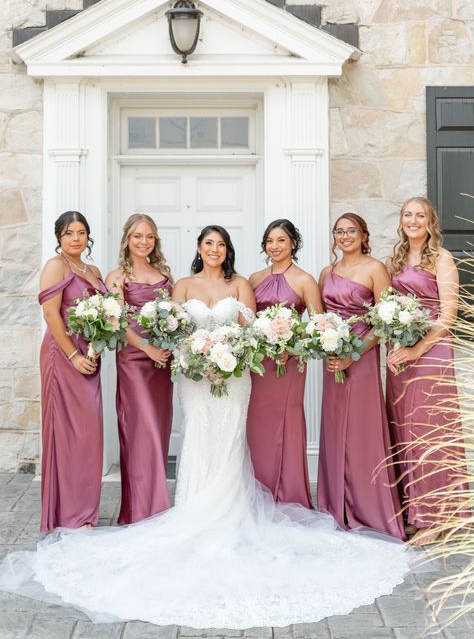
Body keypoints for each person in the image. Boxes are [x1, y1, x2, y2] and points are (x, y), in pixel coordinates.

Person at [0, 225, 412, 629]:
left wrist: (230, 354)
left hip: (235, 378)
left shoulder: (241, 285)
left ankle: (231, 510)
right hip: (196, 378)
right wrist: (198, 357)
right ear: (199, 248)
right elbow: (175, 331)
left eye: (221, 244)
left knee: (231, 441)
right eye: (208, 243)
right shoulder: (181, 284)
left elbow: (254, 331)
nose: (214, 249)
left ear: (228, 250)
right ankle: (192, 509)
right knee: (199, 437)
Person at [386, 197, 469, 546]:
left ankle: (437, 517)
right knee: (403, 429)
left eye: (420, 215)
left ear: (430, 221)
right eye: (408, 215)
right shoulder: (394, 260)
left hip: (432, 352)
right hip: (400, 356)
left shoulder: (442, 259)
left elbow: (448, 315)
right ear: (402, 221)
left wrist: (417, 348)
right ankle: (415, 511)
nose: (413, 220)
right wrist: (394, 345)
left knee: (430, 431)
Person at [317, 213, 405, 539]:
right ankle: (335, 504)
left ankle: (369, 507)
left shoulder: (375, 269)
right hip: (332, 357)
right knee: (335, 425)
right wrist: (327, 344)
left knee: (362, 429)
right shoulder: (328, 272)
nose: (345, 236)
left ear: (364, 234)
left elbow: (384, 323)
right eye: (339, 231)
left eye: (351, 230)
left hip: (362, 359)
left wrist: (353, 354)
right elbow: (320, 318)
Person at [247, 219, 323, 507]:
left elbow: (317, 325)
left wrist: (291, 346)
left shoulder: (305, 280)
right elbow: (248, 320)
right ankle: (261, 493)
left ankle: (290, 495)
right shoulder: (254, 278)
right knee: (259, 425)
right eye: (269, 240)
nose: (274, 246)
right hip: (260, 363)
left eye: (281, 240)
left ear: (293, 243)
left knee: (288, 421)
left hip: (289, 362)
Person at [38, 211, 106, 532]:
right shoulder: (56, 266)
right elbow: (52, 315)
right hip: (63, 354)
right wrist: (73, 356)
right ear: (59, 238)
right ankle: (68, 514)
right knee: (67, 432)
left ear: (88, 236)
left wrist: (95, 346)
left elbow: (105, 316)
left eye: (81, 233)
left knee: (88, 433)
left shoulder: (92, 270)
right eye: (68, 234)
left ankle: (84, 509)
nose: (75, 238)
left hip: (89, 355)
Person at [106, 214, 174, 524]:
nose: (144, 242)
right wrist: (145, 347)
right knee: (140, 431)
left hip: (162, 361)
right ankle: (143, 512)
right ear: (127, 239)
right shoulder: (117, 276)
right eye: (137, 236)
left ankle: (155, 506)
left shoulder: (164, 274)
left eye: (149, 236)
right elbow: (117, 323)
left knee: (158, 432)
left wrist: (168, 345)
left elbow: (174, 315)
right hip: (134, 360)